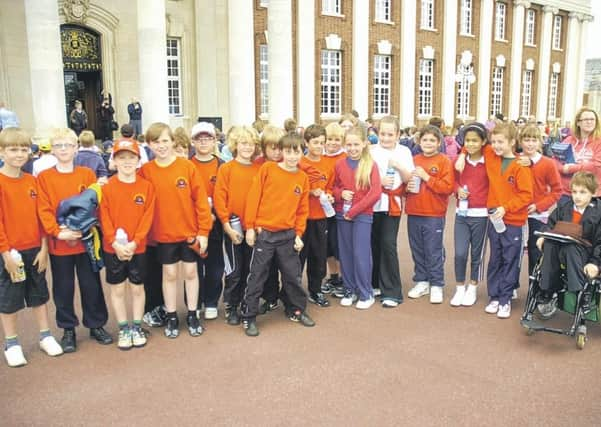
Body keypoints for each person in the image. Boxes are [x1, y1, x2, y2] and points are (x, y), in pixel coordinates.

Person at [37, 128, 111, 352]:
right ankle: (68, 328)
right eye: (59, 145)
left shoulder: (86, 175)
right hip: (60, 243)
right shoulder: (45, 177)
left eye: (68, 145)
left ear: (76, 147)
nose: (63, 150)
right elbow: (44, 210)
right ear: (52, 149)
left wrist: (86, 228)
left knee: (91, 285)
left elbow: (94, 206)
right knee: (63, 287)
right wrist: (58, 232)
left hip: (85, 239)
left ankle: (96, 324)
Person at [139, 123, 212, 339]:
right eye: (155, 142)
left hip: (189, 232)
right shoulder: (146, 171)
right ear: (149, 145)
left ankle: (192, 313)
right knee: (169, 274)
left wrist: (204, 231)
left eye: (164, 141)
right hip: (163, 234)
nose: (161, 146)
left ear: (172, 142)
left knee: (191, 273)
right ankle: (171, 315)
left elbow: (200, 201)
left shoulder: (187, 167)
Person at [0, 128, 63, 367]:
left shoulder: (32, 182)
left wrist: (44, 248)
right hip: (10, 252)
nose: (19, 154)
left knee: (39, 296)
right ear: (2, 152)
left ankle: (45, 335)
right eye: (13, 149)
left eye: (23, 149)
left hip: (35, 248)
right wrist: (5, 253)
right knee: (9, 300)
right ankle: (12, 343)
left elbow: (41, 217)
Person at [241, 133, 314, 336]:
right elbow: (254, 197)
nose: (292, 156)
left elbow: (302, 210)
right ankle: (249, 316)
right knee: (257, 276)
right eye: (288, 152)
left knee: (293, 275)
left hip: (288, 235)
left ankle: (296, 309)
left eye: (296, 152)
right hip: (265, 234)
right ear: (281, 152)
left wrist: (299, 234)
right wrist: (250, 227)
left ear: (302, 152)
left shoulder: (302, 178)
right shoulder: (268, 169)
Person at [458, 123, 533, 319]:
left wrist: (506, 207)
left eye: (501, 142)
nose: (497, 146)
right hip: (494, 218)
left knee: (510, 259)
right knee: (495, 258)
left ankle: (505, 298)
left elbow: (526, 195)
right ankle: (494, 295)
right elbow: (473, 144)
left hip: (513, 221)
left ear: (512, 142)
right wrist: (460, 154)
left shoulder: (520, 166)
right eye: (494, 142)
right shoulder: (491, 155)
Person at [99, 139, 155, 350]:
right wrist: (114, 242)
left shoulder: (146, 187)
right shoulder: (107, 187)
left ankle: (137, 326)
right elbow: (104, 217)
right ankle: (124, 328)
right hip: (112, 248)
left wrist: (135, 242)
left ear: (138, 160)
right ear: (114, 161)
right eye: (122, 158)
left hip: (137, 248)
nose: (127, 162)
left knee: (138, 288)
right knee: (118, 289)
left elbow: (147, 217)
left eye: (131, 158)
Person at [536, 172, 601, 318]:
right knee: (550, 244)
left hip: (585, 254)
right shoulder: (565, 206)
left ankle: (580, 292)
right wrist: (543, 236)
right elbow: (551, 224)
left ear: (593, 193)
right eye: (574, 192)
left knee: (571, 247)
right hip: (560, 250)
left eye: (583, 192)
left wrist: (595, 264)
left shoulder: (598, 212)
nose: (577, 196)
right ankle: (548, 290)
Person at [213, 126, 261, 325]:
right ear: (235, 145)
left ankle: (245, 302)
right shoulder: (226, 168)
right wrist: (226, 225)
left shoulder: (259, 169)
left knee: (251, 269)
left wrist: (256, 225)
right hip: (232, 227)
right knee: (234, 269)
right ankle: (231, 305)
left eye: (250, 144)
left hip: (253, 228)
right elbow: (219, 198)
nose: (247, 147)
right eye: (243, 143)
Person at [333, 126, 382, 309]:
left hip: (362, 215)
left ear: (364, 144)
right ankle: (350, 289)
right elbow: (333, 188)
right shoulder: (339, 164)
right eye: (349, 144)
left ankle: (365, 292)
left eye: (356, 144)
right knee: (345, 253)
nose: (352, 148)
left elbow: (375, 192)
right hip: (342, 214)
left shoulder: (371, 165)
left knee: (361, 253)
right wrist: (340, 194)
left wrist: (354, 211)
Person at [405, 125, 455, 304]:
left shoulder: (444, 161)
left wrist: (427, 177)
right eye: (425, 140)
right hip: (414, 211)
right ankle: (422, 280)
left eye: (432, 140)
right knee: (417, 249)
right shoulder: (413, 159)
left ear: (439, 142)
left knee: (433, 250)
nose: (428, 143)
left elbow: (447, 188)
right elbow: (404, 183)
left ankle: (436, 284)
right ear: (419, 141)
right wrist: (406, 188)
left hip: (434, 214)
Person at [370, 116, 414, 307]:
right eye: (382, 134)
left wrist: (398, 166)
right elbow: (363, 175)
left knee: (388, 244)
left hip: (391, 204)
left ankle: (392, 291)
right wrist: (379, 182)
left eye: (390, 134)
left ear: (397, 134)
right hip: (372, 203)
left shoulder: (404, 151)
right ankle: (375, 283)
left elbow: (408, 178)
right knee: (373, 244)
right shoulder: (371, 151)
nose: (386, 138)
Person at [450, 122, 489, 307]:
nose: (471, 144)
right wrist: (458, 190)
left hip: (482, 215)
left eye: (475, 140)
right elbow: (453, 183)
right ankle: (459, 288)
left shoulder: (489, 160)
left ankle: (473, 287)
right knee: (459, 253)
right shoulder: (458, 161)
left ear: (483, 142)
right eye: (467, 141)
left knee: (476, 254)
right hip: (462, 214)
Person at [189, 122, 225, 320]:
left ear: (214, 141)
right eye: (199, 139)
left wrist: (214, 214)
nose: (203, 142)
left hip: (216, 223)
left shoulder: (222, 166)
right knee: (193, 266)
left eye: (208, 138)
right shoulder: (187, 165)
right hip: (192, 224)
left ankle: (211, 301)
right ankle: (195, 301)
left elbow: (224, 195)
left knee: (215, 265)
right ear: (193, 142)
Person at [517, 125, 561, 279]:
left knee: (536, 250)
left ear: (540, 142)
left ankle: (534, 285)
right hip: (517, 214)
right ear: (520, 141)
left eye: (534, 140)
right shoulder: (515, 160)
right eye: (526, 140)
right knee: (515, 250)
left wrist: (539, 206)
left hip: (538, 214)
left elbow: (557, 190)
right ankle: (512, 285)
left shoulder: (548, 163)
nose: (530, 144)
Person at [298, 124, 333, 308]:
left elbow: (331, 185)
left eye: (322, 142)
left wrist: (330, 194)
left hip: (321, 217)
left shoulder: (328, 163)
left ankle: (315, 290)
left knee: (319, 257)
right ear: (306, 142)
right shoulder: (299, 162)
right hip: (302, 219)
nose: (319, 146)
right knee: (298, 257)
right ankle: (292, 293)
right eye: (315, 142)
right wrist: (311, 192)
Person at [321, 122, 347, 296]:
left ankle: (346, 278)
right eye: (329, 139)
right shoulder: (318, 156)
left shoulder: (345, 157)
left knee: (340, 245)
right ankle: (334, 276)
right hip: (321, 208)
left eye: (337, 139)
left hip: (339, 207)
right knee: (328, 246)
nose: (332, 143)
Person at [557, 107, 601, 198]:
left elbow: (596, 166)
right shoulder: (568, 140)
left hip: (591, 193)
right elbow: (556, 159)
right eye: (586, 119)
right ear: (578, 123)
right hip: (567, 192)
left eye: (592, 119)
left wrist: (570, 168)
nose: (589, 122)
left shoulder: (599, 142)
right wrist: (562, 168)